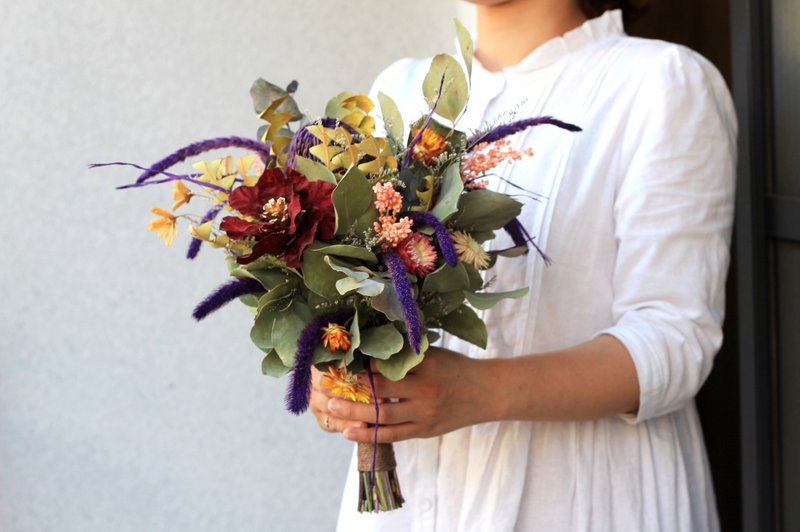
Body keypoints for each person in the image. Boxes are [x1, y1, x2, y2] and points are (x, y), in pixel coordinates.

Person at [309, 0, 737, 530]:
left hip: (582, 496)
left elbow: (676, 338)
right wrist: (339, 365)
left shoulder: (662, 83)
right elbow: (358, 284)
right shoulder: (401, 88)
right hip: (406, 503)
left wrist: (478, 391)